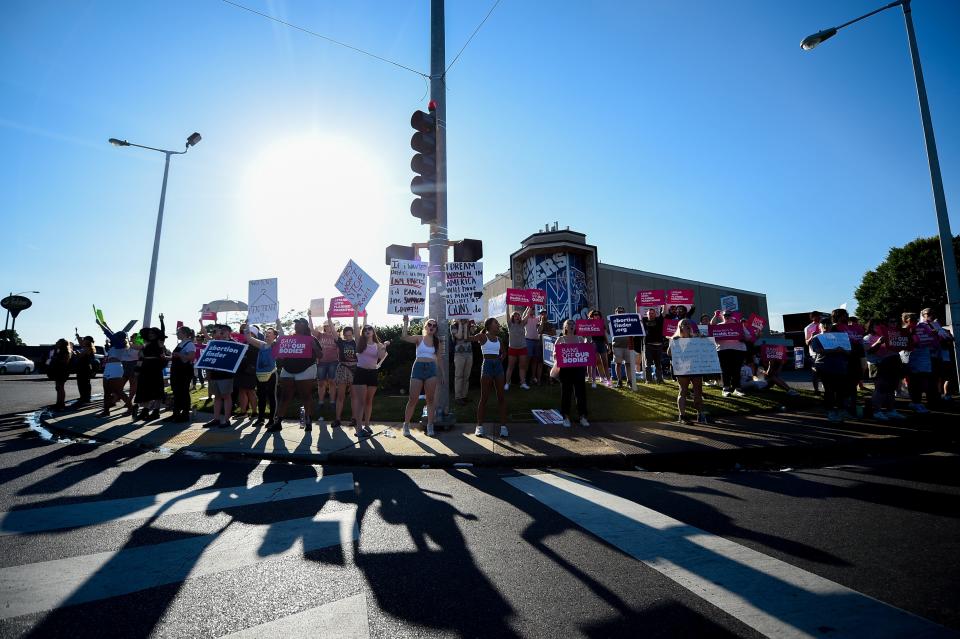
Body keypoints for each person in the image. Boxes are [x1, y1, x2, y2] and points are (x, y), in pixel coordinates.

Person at [275, 318, 322, 432]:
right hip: (288, 369)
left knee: (305, 396)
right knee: (285, 396)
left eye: (299, 323)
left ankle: (308, 421)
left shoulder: (311, 339)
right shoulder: (289, 339)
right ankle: (278, 422)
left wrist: (314, 346)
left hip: (306, 369)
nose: (296, 325)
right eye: (295, 323)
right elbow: (280, 355)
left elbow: (320, 355)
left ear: (305, 326)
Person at [399, 315, 441, 437]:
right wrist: (406, 322)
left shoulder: (437, 341)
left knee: (430, 400)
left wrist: (441, 374)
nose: (432, 327)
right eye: (429, 324)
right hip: (418, 368)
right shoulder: (419, 338)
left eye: (434, 325)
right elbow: (404, 337)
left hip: (431, 369)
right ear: (425, 326)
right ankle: (406, 425)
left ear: (436, 329)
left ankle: (430, 425)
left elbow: (439, 359)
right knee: (413, 399)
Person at [468, 317, 508, 437]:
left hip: (498, 367)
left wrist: (501, 359)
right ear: (489, 326)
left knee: (501, 397)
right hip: (487, 365)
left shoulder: (499, 339)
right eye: (496, 323)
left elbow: (504, 352)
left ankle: (503, 427)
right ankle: (479, 426)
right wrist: (467, 326)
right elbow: (468, 338)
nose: (498, 324)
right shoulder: (482, 336)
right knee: (484, 397)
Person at [350, 320, 390, 439]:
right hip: (361, 373)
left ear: (373, 332)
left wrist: (384, 346)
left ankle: (366, 425)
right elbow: (355, 325)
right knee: (361, 401)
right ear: (363, 332)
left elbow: (381, 357)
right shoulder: (359, 341)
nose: (367, 331)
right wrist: (356, 311)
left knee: (368, 401)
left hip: (372, 373)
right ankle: (358, 428)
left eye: (369, 329)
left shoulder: (378, 345)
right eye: (365, 329)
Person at [863, 318, 906, 421]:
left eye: (881, 325)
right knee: (880, 389)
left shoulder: (889, 335)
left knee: (891, 389)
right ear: (871, 326)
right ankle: (877, 411)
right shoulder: (867, 338)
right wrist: (878, 342)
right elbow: (869, 352)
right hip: (877, 365)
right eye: (876, 325)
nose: (879, 327)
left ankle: (891, 410)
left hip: (890, 364)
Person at [810, 318, 851, 423]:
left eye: (828, 324)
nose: (826, 325)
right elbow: (817, 350)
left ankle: (841, 411)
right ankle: (831, 412)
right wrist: (834, 350)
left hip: (840, 367)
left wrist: (842, 350)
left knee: (841, 390)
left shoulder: (839, 337)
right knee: (829, 390)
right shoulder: (817, 337)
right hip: (824, 367)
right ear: (819, 326)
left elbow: (848, 352)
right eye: (823, 324)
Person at [667, 319, 707, 424]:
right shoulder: (676, 339)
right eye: (684, 324)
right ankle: (682, 416)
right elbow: (669, 354)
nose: (687, 325)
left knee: (698, 391)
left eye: (688, 324)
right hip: (683, 369)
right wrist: (672, 343)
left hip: (695, 368)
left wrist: (703, 340)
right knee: (683, 391)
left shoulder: (696, 338)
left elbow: (704, 349)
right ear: (680, 327)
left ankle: (701, 414)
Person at [244, 322, 280, 428]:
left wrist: (278, 322)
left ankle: (272, 420)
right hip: (260, 375)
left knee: (271, 396)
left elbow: (281, 335)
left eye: (270, 333)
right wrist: (247, 323)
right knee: (261, 397)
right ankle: (260, 419)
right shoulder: (261, 344)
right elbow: (248, 337)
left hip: (271, 374)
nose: (267, 334)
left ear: (274, 336)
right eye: (266, 332)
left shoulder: (276, 345)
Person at [556, 319, 590, 428]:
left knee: (580, 393)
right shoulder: (560, 339)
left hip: (578, 369)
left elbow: (587, 350)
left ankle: (583, 417)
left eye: (572, 324)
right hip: (565, 370)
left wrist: (588, 337)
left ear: (575, 327)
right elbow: (555, 354)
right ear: (565, 327)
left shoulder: (580, 338)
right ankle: (565, 417)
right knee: (566, 393)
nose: (571, 326)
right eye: (568, 324)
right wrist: (557, 355)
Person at [203, 324, 238, 428]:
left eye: (222, 331)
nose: (220, 333)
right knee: (217, 397)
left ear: (228, 332)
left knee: (226, 397)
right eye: (219, 331)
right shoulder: (215, 343)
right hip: (214, 375)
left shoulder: (233, 344)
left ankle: (227, 420)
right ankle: (216, 419)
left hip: (226, 375)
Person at [134, 315, 168, 421]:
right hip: (146, 368)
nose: (151, 334)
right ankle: (145, 411)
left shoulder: (159, 342)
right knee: (145, 390)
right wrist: (137, 370)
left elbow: (162, 331)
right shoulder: (146, 344)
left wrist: (161, 320)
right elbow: (141, 358)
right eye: (150, 333)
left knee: (157, 391)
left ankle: (156, 412)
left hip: (155, 368)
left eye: (153, 333)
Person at [330, 310, 360, 428]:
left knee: (354, 396)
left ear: (352, 334)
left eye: (350, 335)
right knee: (340, 395)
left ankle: (354, 418)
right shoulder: (341, 342)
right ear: (343, 335)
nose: (348, 338)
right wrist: (329, 319)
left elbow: (356, 326)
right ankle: (337, 419)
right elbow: (333, 332)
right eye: (346, 335)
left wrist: (356, 313)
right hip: (342, 368)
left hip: (354, 368)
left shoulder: (356, 342)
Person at [901, 312, 935, 413]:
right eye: (912, 319)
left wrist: (932, 335)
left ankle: (916, 402)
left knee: (923, 382)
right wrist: (912, 338)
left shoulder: (922, 328)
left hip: (924, 357)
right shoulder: (904, 330)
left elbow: (930, 340)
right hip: (912, 359)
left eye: (916, 319)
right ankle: (916, 403)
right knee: (915, 382)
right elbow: (904, 345)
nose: (915, 321)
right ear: (906, 320)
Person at [710, 310, 747, 397]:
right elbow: (711, 326)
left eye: (728, 315)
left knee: (736, 370)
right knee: (724, 369)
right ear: (722, 316)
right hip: (722, 350)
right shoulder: (718, 326)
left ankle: (737, 389)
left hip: (738, 350)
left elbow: (748, 336)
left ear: (731, 316)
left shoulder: (739, 325)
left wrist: (743, 337)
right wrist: (715, 315)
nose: (727, 316)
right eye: (725, 315)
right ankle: (725, 389)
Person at [97, 332, 135, 417]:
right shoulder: (114, 346)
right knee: (106, 391)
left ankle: (131, 408)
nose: (113, 338)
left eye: (116, 336)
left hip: (116, 368)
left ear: (119, 337)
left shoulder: (121, 344)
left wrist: (101, 325)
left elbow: (109, 334)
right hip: (108, 368)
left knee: (119, 391)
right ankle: (106, 411)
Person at [309, 311, 339, 414]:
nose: (330, 327)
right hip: (321, 362)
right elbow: (311, 329)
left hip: (333, 362)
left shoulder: (336, 336)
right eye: (327, 326)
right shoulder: (320, 335)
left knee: (332, 382)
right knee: (321, 383)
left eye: (331, 325)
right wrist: (310, 316)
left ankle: (332, 402)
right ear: (325, 327)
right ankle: (321, 402)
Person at [168, 325, 196, 422]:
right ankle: (176, 413)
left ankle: (185, 414)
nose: (177, 334)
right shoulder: (180, 344)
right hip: (176, 370)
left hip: (184, 371)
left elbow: (191, 357)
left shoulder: (190, 344)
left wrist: (179, 354)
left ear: (184, 333)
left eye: (178, 332)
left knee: (183, 392)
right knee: (176, 392)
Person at [610, 305, 636, 390]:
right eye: (618, 311)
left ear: (624, 312)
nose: (620, 313)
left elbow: (634, 331)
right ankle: (619, 381)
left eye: (621, 311)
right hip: (617, 346)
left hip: (628, 346)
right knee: (618, 364)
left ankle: (629, 381)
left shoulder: (629, 321)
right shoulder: (612, 321)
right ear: (616, 313)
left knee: (628, 364)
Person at [451, 319, 475, 405]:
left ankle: (464, 396)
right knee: (459, 376)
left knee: (466, 376)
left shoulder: (469, 325)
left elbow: (470, 335)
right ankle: (458, 397)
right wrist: (460, 324)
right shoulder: (453, 326)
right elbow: (460, 336)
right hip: (459, 354)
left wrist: (470, 325)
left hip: (469, 353)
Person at [504, 310, 529, 390]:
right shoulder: (510, 324)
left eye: (518, 315)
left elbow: (527, 314)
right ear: (512, 317)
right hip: (512, 348)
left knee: (522, 366)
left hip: (522, 348)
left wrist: (529, 305)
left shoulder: (522, 324)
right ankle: (507, 383)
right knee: (510, 366)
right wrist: (507, 305)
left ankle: (523, 383)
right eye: (515, 315)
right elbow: (507, 314)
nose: (517, 317)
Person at [586, 309, 611, 388]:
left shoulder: (601, 324)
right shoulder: (589, 323)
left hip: (602, 343)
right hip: (593, 343)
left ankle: (608, 381)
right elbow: (585, 334)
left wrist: (608, 345)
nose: (596, 316)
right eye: (594, 315)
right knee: (596, 362)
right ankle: (595, 381)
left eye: (598, 314)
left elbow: (604, 335)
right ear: (591, 316)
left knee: (605, 363)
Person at [46, 339, 73, 411]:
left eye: (58, 342)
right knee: (58, 387)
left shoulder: (64, 351)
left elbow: (63, 361)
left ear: (61, 344)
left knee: (60, 387)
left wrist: (55, 358)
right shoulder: (60, 350)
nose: (56, 343)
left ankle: (61, 404)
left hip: (62, 371)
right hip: (60, 371)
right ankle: (59, 403)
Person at [640, 307, 664, 384]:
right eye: (649, 313)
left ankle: (659, 380)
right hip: (648, 346)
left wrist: (664, 303)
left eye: (652, 313)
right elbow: (638, 314)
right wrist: (637, 303)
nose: (651, 314)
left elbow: (663, 312)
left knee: (658, 364)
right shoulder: (644, 321)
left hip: (658, 345)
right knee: (648, 364)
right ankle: (648, 380)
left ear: (655, 314)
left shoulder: (659, 320)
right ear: (646, 315)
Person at [72, 331, 95, 406]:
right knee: (83, 383)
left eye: (85, 339)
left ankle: (85, 398)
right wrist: (78, 337)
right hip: (83, 367)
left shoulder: (88, 348)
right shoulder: (87, 347)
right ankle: (84, 397)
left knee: (83, 383)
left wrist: (75, 353)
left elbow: (81, 355)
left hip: (84, 368)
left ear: (88, 341)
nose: (83, 340)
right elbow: (81, 343)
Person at [804, 311, 824, 395]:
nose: (820, 318)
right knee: (815, 372)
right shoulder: (808, 328)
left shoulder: (823, 325)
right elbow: (806, 342)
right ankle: (816, 390)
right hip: (814, 353)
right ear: (812, 318)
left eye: (820, 316)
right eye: (817, 316)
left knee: (825, 372)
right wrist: (812, 337)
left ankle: (827, 389)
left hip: (826, 351)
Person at [536, 309, 556, 384]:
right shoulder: (538, 324)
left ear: (547, 314)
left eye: (545, 313)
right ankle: (538, 380)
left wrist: (544, 333)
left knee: (549, 363)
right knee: (540, 363)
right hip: (540, 345)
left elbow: (553, 333)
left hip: (549, 345)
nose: (543, 315)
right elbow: (539, 331)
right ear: (540, 315)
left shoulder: (551, 324)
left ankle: (551, 379)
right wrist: (542, 322)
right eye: (542, 314)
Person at [522, 306, 541, 385]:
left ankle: (533, 378)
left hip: (536, 341)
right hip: (528, 341)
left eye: (533, 309)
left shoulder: (537, 319)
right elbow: (524, 315)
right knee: (527, 361)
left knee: (535, 360)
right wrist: (528, 306)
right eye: (532, 309)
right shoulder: (526, 319)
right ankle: (524, 379)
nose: (533, 310)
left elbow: (542, 315)